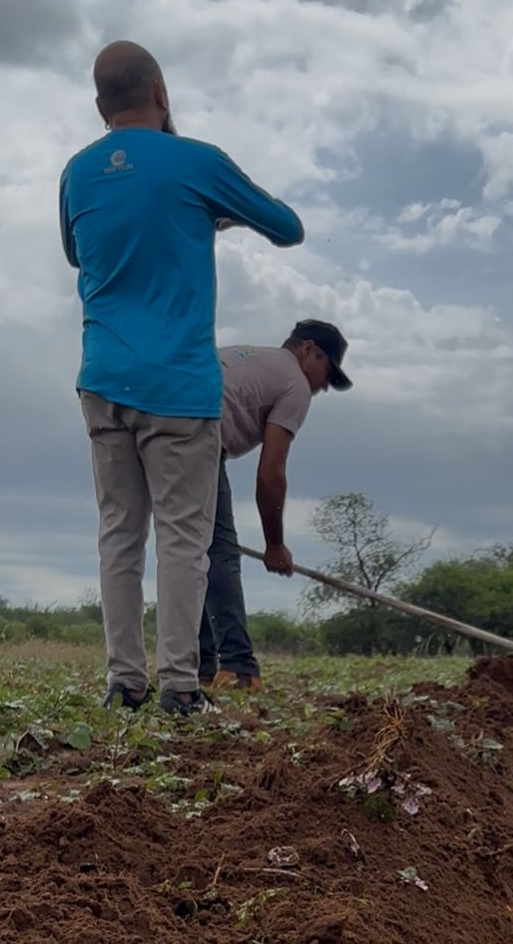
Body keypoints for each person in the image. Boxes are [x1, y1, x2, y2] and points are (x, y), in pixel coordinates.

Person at [59, 40, 306, 715]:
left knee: (119, 532)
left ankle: (122, 681)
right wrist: (215, 214)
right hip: (178, 384)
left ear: (100, 104)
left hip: (103, 378)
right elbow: (288, 228)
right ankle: (177, 685)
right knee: (183, 538)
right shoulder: (198, 160)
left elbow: (78, 252)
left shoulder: (77, 172)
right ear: (162, 95)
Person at [199, 320, 352, 691]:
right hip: (196, 433)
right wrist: (274, 544)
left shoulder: (250, 357)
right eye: (327, 373)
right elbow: (270, 476)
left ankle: (199, 664)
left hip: (156, 420)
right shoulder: (295, 384)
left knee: (191, 550)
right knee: (219, 551)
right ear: (308, 350)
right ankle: (239, 668)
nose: (323, 387)